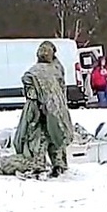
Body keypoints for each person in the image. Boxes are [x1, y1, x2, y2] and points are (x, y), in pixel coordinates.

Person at [13, 42, 75, 176]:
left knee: (39, 138)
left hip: (40, 110)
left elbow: (31, 94)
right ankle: (59, 164)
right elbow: (62, 90)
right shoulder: (58, 69)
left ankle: (39, 165)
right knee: (55, 135)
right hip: (57, 109)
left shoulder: (33, 72)